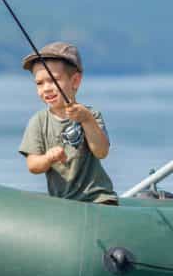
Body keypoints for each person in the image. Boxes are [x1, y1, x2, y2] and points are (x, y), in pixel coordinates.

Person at [19, 42, 118, 205]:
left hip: (98, 199)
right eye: (39, 83)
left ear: (75, 81)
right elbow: (33, 165)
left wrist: (86, 120)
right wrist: (48, 158)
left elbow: (101, 152)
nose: (46, 88)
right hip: (63, 203)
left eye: (53, 80)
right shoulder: (38, 121)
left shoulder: (91, 114)